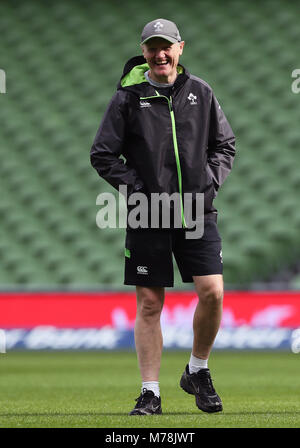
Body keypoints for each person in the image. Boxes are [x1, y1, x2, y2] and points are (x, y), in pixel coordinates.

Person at [91, 18, 235, 415]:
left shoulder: (200, 92)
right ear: (144, 52)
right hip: (146, 212)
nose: (160, 53)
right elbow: (102, 154)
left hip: (195, 210)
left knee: (213, 292)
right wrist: (137, 190)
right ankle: (150, 393)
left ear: (180, 48)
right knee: (150, 303)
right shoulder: (127, 98)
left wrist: (207, 183)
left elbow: (225, 144)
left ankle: (197, 370)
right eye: (153, 47)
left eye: (166, 46)